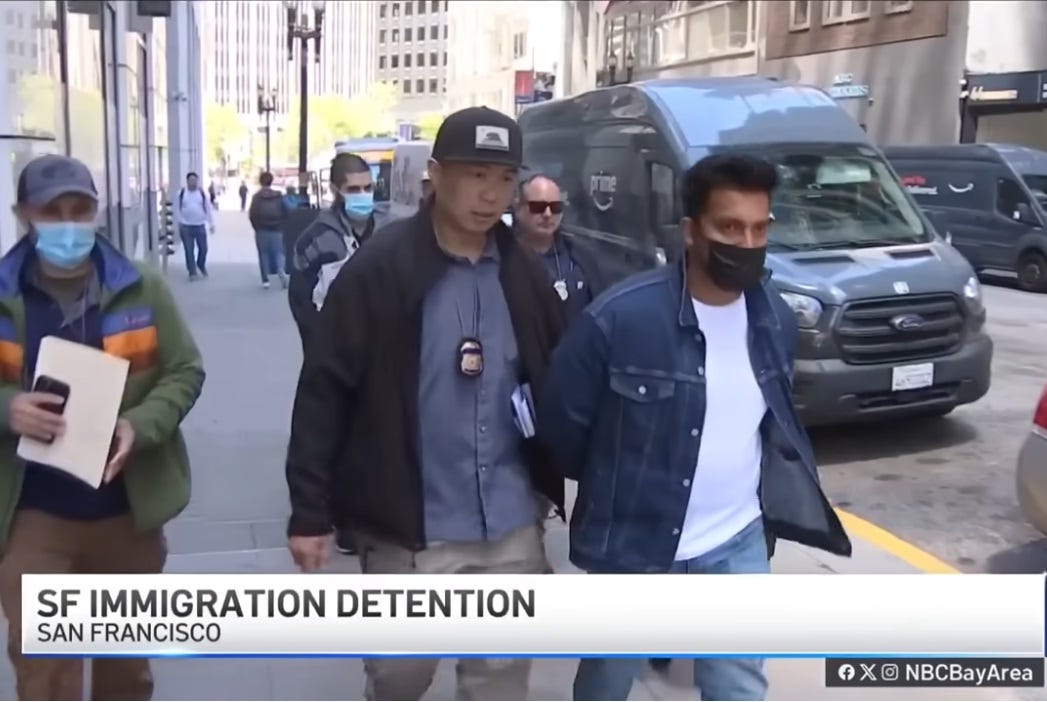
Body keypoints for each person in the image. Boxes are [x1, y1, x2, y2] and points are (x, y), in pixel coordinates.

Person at [538, 154, 852, 701]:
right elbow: (564, 430)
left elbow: (774, 422)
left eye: (759, 228)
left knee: (739, 685)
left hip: (737, 541)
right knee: (607, 683)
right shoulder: (620, 319)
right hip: (635, 546)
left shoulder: (773, 316)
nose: (746, 242)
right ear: (690, 232)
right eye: (729, 227)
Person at [285, 106, 566, 701]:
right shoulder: (380, 271)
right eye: (474, 175)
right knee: (399, 676)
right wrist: (309, 510)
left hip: (511, 523)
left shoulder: (524, 274)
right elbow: (324, 390)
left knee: (499, 682)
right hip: (411, 527)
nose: (490, 195)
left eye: (503, 178)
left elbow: (560, 378)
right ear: (435, 176)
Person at [0, 154, 205, 701]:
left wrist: (141, 425)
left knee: (125, 675)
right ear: (24, 214)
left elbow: (185, 369)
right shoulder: (2, 295)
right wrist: (8, 408)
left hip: (125, 514)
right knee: (43, 671)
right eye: (52, 211)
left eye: (80, 208)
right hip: (33, 514)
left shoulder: (144, 288)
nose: (69, 223)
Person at [288, 152, 393, 349]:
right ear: (336, 190)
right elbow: (300, 301)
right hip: (334, 350)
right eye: (353, 189)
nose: (363, 194)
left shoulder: (390, 230)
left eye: (368, 187)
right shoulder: (315, 240)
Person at [514, 173, 608, 322]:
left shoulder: (581, 257)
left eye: (555, 207)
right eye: (538, 207)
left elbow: (600, 311)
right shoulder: (503, 257)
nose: (547, 214)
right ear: (519, 210)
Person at [248, 171, 289, 289]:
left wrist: (257, 227)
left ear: (260, 182)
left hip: (262, 230)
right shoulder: (278, 195)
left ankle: (265, 280)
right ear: (271, 181)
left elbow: (252, 214)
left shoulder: (257, 197)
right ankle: (281, 270)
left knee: (263, 254)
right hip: (277, 230)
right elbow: (286, 211)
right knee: (279, 252)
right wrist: (281, 224)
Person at [176, 172, 214, 280]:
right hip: (186, 226)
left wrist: (211, 224)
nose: (194, 183)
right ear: (187, 181)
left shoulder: (202, 194)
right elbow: (177, 209)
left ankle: (200, 264)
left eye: (195, 180)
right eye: (191, 180)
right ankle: (192, 271)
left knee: (203, 249)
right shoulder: (182, 193)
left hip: (200, 226)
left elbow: (208, 209)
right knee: (189, 250)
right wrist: (180, 222)